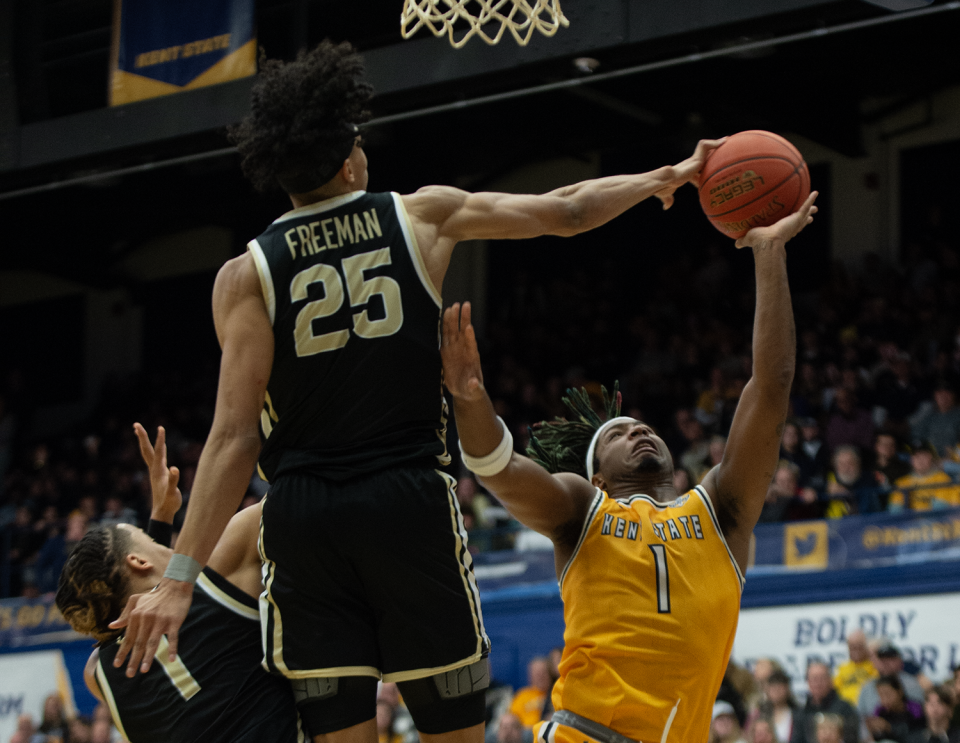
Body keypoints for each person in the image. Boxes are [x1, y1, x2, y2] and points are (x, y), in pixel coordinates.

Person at [110, 40, 725, 743]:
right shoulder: (419, 215)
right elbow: (566, 208)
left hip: (305, 521)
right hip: (407, 504)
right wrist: (663, 176)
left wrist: (180, 577)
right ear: (349, 159)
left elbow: (232, 438)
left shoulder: (243, 277)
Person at [442, 195, 818, 743]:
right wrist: (471, 401)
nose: (637, 430)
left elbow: (772, 384)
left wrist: (769, 253)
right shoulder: (583, 508)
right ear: (598, 475)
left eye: (642, 426)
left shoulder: (722, 511)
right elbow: (498, 468)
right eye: (617, 434)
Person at [54, 425, 301, 743]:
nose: (164, 543)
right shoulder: (221, 572)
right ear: (138, 562)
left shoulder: (99, 676)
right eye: (145, 538)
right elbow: (296, 492)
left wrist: (159, 520)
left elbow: (139, 627)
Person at [859, 642, 925, 723]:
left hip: (908, 729)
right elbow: (861, 716)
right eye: (882, 659)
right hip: (875, 732)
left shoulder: (912, 684)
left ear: (899, 661)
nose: (886, 663)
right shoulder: (867, 687)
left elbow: (919, 713)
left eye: (890, 659)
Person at [793, 661, 859, 743]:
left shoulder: (845, 708)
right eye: (814, 678)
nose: (818, 683)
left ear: (830, 680)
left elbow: (852, 738)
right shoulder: (802, 712)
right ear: (808, 682)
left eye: (822, 678)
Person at [888, 442, 960, 512]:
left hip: (934, 521)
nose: (920, 460)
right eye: (916, 456)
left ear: (931, 457)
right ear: (911, 459)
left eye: (924, 456)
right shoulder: (901, 482)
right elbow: (895, 510)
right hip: (909, 522)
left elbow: (939, 507)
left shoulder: (942, 478)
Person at [865, 675, 926, 743]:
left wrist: (889, 727)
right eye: (881, 695)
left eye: (887, 694)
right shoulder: (880, 711)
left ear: (899, 691)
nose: (885, 699)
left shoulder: (915, 709)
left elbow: (916, 733)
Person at [833, 629, 878, 706]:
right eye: (852, 646)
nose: (856, 650)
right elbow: (833, 690)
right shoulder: (842, 668)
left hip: (866, 708)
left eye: (859, 646)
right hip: (845, 710)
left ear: (867, 646)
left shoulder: (875, 665)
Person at [508, 657, 551, 728]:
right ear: (530, 676)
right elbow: (512, 717)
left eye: (543, 673)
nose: (541, 677)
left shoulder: (555, 694)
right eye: (537, 674)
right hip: (523, 733)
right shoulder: (522, 695)